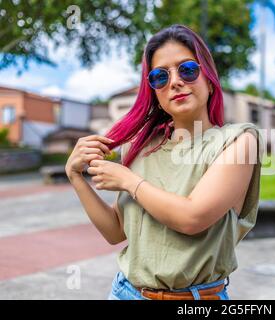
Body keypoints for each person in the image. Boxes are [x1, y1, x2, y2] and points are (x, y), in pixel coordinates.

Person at [65, 24, 264, 300]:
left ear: (208, 79)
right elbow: (115, 231)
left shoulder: (239, 141)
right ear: (155, 92)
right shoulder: (141, 146)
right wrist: (76, 177)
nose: (175, 82)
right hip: (126, 292)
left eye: (188, 69)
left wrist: (129, 181)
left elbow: (192, 218)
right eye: (160, 76)